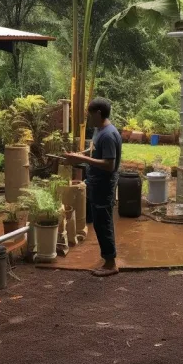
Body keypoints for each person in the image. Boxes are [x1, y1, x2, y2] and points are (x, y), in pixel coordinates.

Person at [65, 98, 122, 277]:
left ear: (98, 113)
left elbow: (109, 164)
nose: (89, 118)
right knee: (98, 222)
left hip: (104, 185)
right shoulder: (99, 130)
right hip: (96, 182)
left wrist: (82, 160)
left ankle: (111, 263)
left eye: (90, 114)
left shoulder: (108, 135)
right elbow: (94, 152)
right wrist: (78, 154)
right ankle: (107, 257)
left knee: (103, 223)